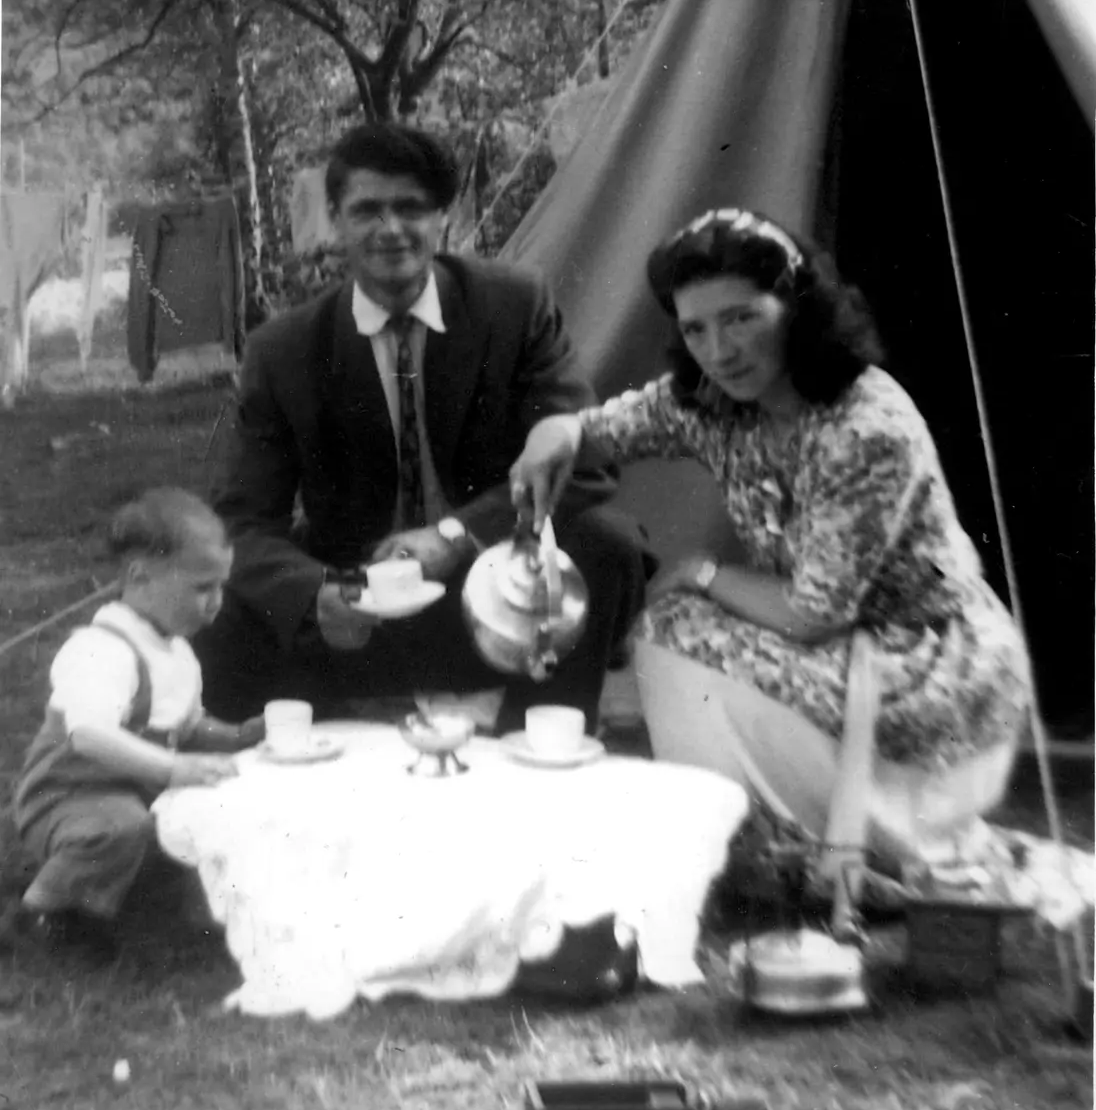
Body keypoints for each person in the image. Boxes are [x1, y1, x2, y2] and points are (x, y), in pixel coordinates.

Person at [509, 207, 1033, 880]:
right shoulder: (715, 403)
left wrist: (700, 570)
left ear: (795, 305)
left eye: (740, 317)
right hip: (836, 645)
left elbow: (814, 615)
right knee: (673, 629)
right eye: (695, 328)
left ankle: (846, 845)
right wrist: (555, 433)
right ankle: (749, 842)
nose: (719, 350)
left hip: (929, 663)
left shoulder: (865, 427)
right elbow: (606, 429)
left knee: (678, 627)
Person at [193, 123, 649, 734]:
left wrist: (457, 535)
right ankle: (269, 774)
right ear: (335, 219)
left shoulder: (511, 306)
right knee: (224, 604)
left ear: (443, 218)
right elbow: (241, 521)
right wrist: (314, 593)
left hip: (493, 597)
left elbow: (587, 463)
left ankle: (541, 745)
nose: (390, 230)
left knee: (607, 543)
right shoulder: (284, 350)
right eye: (366, 210)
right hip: (358, 611)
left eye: (410, 208)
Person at [11, 488, 264, 960]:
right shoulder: (102, 648)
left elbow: (186, 725)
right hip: (67, 796)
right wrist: (171, 770)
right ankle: (42, 914)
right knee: (117, 827)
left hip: (130, 790)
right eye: (201, 588)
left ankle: (151, 891)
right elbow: (87, 734)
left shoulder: (175, 650)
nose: (216, 602)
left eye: (221, 587)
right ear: (139, 576)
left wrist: (237, 736)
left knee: (223, 808)